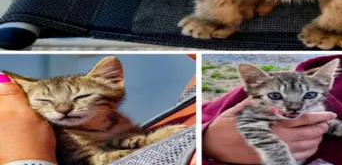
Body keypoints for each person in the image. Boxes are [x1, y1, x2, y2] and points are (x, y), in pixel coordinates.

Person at [202, 54, 342, 165]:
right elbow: (186, 126)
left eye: (309, 96)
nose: (294, 106)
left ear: (325, 83)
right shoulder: (249, 101)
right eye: (276, 96)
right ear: (251, 84)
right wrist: (208, 141)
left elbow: (333, 125)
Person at [0, 54, 197, 165]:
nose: (63, 108)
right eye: (44, 100)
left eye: (82, 96)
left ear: (113, 83)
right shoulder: (53, 136)